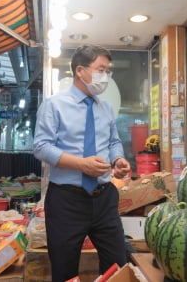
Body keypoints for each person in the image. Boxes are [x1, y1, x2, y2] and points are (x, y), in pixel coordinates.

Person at [33, 45, 131, 282]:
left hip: (104, 198)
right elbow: (41, 147)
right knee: (65, 271)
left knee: (118, 266)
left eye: (108, 71)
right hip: (67, 201)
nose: (106, 76)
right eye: (101, 69)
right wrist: (81, 165)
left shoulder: (105, 108)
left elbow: (114, 142)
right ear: (80, 70)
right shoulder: (54, 105)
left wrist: (117, 159)